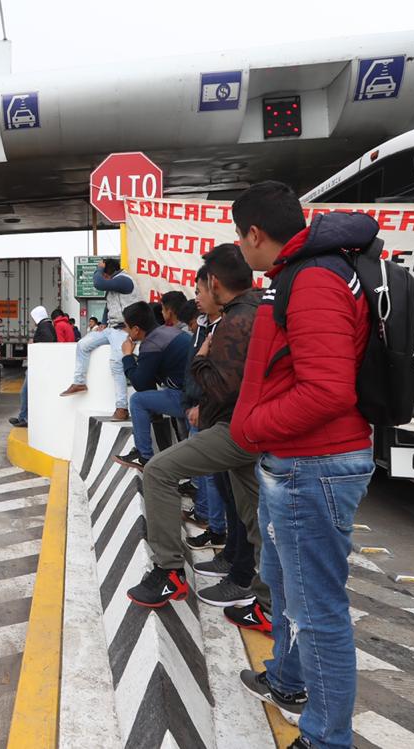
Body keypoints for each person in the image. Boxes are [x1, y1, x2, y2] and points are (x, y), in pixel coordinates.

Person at [230, 181, 376, 747]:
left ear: (254, 234)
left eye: (239, 237)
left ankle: (325, 738)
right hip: (295, 463)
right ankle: (289, 681)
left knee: (317, 611)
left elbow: (328, 391)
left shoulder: (313, 279)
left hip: (312, 466)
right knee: (287, 588)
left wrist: (251, 428)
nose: (239, 247)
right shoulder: (297, 273)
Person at [122, 244, 269, 625]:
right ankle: (269, 603)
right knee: (256, 517)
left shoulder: (236, 322)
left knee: (158, 471)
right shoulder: (258, 310)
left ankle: (168, 571)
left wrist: (202, 357)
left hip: (235, 429)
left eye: (200, 289)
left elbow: (219, 387)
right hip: (252, 428)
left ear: (215, 283)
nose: (198, 298)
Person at [59, 258, 146, 421]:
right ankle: (79, 382)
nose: (101, 276)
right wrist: (104, 322)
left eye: (103, 273)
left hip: (126, 329)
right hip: (112, 328)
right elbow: (109, 305)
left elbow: (98, 283)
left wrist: (99, 269)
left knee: (116, 364)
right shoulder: (114, 284)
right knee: (83, 344)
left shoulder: (124, 280)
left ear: (107, 273)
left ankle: (122, 408)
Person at [179, 273, 228, 550]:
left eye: (200, 292)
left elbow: (220, 376)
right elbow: (192, 368)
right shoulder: (201, 326)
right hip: (195, 407)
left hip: (209, 411)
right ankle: (210, 520)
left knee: (212, 473)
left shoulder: (225, 328)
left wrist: (201, 405)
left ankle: (215, 526)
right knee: (205, 472)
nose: (196, 298)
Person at [112, 301, 191, 469]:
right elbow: (148, 382)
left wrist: (127, 356)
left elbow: (140, 384)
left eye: (126, 327)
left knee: (137, 400)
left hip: (189, 398)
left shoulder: (151, 344)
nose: (125, 331)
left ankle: (144, 456)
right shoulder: (168, 331)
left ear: (136, 329)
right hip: (194, 393)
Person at [9, 305, 57, 428]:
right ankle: (23, 417)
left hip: (38, 366)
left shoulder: (44, 326)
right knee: (27, 392)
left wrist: (33, 343)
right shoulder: (48, 325)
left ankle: (24, 418)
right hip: (41, 365)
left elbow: (48, 341)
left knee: (25, 392)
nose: (33, 320)